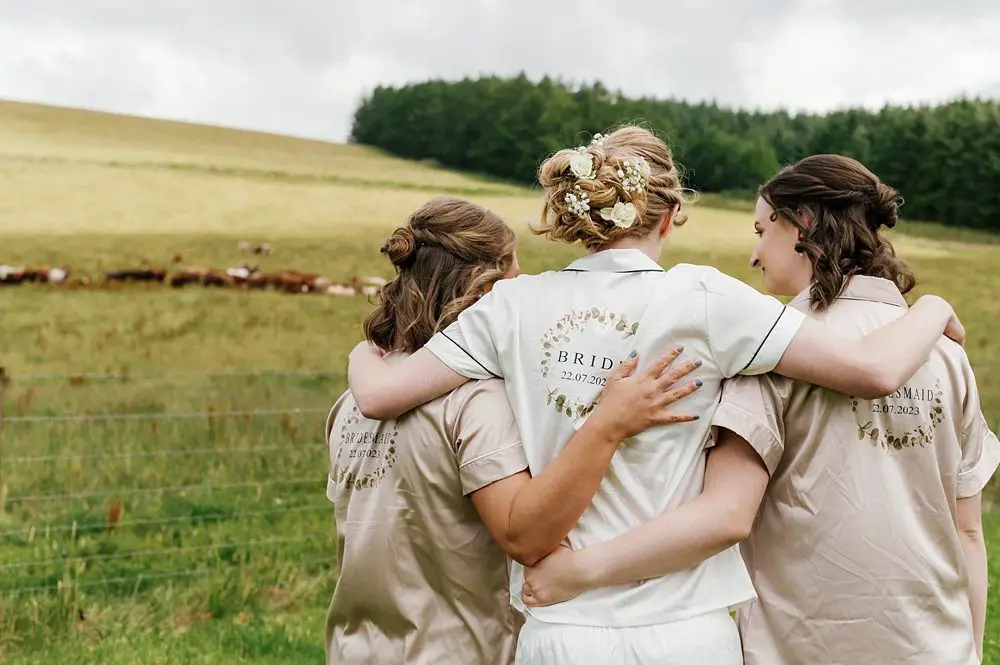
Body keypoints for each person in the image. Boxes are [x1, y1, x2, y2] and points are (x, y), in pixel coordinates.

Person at [346, 128, 965, 664]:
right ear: (669, 215)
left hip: (563, 626)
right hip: (686, 630)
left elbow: (380, 397)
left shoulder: (512, 306)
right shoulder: (703, 298)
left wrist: (359, 353)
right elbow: (874, 370)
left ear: (581, 215)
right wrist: (933, 307)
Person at [518, 155, 998, 665]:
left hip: (798, 648)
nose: (753, 254)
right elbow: (968, 530)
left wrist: (578, 571)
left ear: (803, 225)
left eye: (762, 229)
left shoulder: (766, 354)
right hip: (940, 651)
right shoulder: (946, 353)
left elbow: (727, 513)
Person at [324, 195, 705, 665]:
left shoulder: (353, 402)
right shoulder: (476, 403)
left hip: (353, 649)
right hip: (464, 652)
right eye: (512, 284)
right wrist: (608, 425)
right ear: (482, 292)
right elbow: (524, 535)